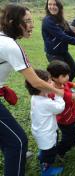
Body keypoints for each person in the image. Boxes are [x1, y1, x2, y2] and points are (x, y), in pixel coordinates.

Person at [0, 4, 63, 176]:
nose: (32, 25)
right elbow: (35, 81)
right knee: (18, 141)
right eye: (27, 21)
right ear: (13, 22)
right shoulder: (10, 45)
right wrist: (59, 92)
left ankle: (14, 154)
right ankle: (15, 151)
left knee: (9, 138)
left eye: (31, 20)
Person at [25, 70, 65, 176]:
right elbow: (60, 108)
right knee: (49, 154)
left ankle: (42, 154)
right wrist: (58, 95)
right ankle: (47, 171)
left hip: (40, 132)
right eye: (49, 81)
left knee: (45, 149)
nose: (52, 82)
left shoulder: (35, 98)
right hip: (47, 135)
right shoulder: (45, 102)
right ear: (41, 87)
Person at [42, 0, 75, 81]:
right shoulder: (47, 20)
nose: (52, 7)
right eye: (49, 4)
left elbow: (70, 32)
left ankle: (65, 88)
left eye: (55, 5)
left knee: (73, 70)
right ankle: (56, 91)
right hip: (53, 54)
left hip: (63, 52)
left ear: (59, 6)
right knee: (59, 76)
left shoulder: (61, 20)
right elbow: (62, 37)